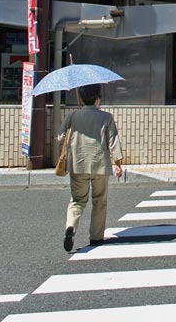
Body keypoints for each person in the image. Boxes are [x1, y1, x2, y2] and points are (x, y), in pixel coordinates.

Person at [59, 83, 124, 252]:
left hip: (77, 164)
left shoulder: (73, 116)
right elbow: (113, 142)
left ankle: (71, 226)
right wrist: (117, 164)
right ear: (97, 98)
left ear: (81, 98)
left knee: (77, 201)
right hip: (99, 165)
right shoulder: (106, 117)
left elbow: (60, 137)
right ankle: (96, 236)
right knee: (99, 201)